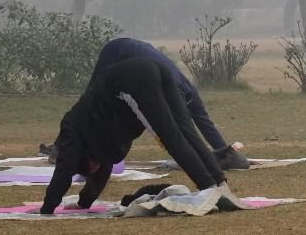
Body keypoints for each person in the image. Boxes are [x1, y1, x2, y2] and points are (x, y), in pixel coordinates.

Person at [40, 58, 228, 214]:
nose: (97, 168)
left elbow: (63, 170)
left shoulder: (72, 131)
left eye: (91, 168)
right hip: (153, 69)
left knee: (170, 136)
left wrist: (47, 208)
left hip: (130, 82)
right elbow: (99, 176)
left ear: (82, 158)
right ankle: (219, 184)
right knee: (184, 129)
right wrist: (84, 203)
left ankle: (210, 188)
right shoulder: (97, 144)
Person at [84, 37, 249, 170]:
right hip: (121, 52)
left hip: (139, 57)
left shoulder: (184, 93)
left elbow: (199, 125)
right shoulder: (178, 92)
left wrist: (225, 151)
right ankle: (78, 141)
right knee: (93, 97)